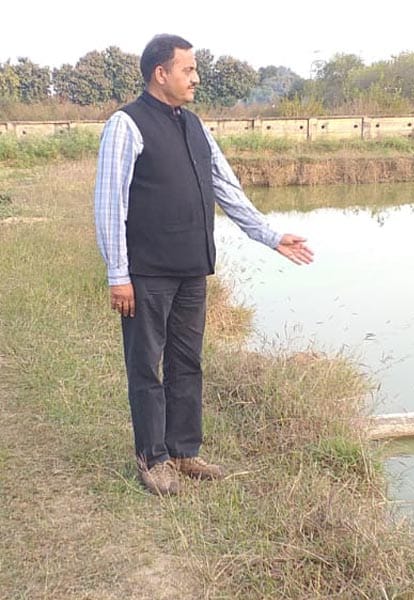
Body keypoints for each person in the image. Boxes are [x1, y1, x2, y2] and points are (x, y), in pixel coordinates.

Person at [93, 34, 314, 496]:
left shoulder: (194, 125)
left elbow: (227, 189)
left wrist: (270, 236)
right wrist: (118, 275)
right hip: (147, 273)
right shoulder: (126, 124)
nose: (196, 78)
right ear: (161, 74)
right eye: (188, 69)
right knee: (146, 366)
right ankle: (153, 459)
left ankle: (182, 450)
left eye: (195, 69)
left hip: (192, 269)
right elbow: (110, 204)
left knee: (187, 362)